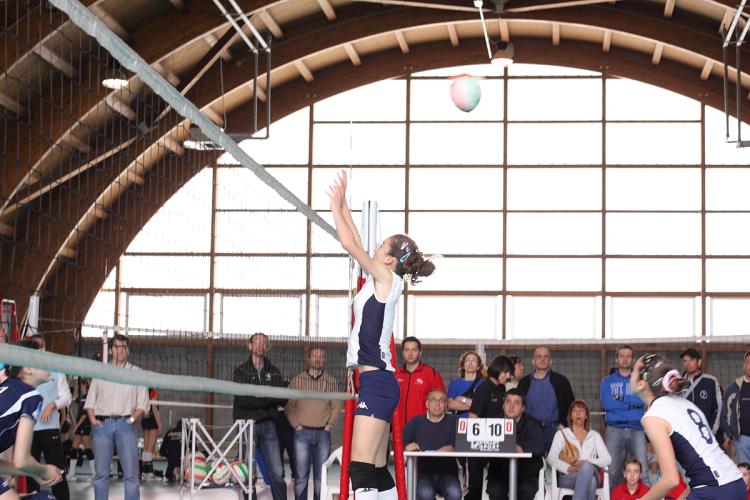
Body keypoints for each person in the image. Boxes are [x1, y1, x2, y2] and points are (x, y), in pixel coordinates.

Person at [329, 169, 435, 500]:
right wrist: (344, 206)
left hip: (376, 384)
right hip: (379, 382)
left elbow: (349, 243)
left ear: (389, 259)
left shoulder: (386, 278)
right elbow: (358, 242)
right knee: (374, 470)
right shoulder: (383, 278)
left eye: (382, 244)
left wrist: (333, 206)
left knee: (360, 469)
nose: (375, 246)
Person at [632, 354, 745, 499]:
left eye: (634, 371)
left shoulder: (653, 416)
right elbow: (699, 473)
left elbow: (670, 479)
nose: (631, 374)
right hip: (735, 483)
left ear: (641, 383)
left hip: (714, 489)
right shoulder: (685, 404)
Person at [84, 334, 149, 500]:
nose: (121, 350)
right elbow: (90, 401)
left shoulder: (137, 373)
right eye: (117, 347)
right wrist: (92, 419)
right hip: (102, 425)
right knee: (101, 474)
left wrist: (131, 420)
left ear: (128, 350)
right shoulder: (101, 371)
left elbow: (143, 404)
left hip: (125, 425)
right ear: (111, 350)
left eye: (124, 347)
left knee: (131, 474)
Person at [0, 339, 64, 499]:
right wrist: (44, 470)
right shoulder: (30, 396)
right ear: (28, 368)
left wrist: (32, 471)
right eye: (42, 358)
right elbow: (21, 460)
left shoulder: (10, 388)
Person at [232, 332, 287, 500]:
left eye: (263, 342)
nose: (260, 345)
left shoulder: (274, 371)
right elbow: (243, 400)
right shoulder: (241, 371)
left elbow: (282, 399)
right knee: (249, 472)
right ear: (249, 346)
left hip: (269, 425)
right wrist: (268, 396)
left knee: (277, 472)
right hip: (247, 424)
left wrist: (258, 395)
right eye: (256, 341)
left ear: (267, 347)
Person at [285, 345, 340, 500]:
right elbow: (289, 406)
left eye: (321, 356)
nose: (318, 359)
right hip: (301, 434)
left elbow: (336, 406)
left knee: (321, 475)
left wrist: (329, 425)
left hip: (323, 434)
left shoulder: (330, 382)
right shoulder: (297, 380)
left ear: (324, 360)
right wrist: (296, 425)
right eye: (315, 356)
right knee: (301, 475)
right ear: (308, 359)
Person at [25, 334, 71, 500]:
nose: (38, 350)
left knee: (57, 471)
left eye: (41, 346)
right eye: (35, 346)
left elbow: (66, 397)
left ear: (45, 347)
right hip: (28, 430)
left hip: (50, 428)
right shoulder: (23, 370)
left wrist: (52, 405)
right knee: (30, 474)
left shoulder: (55, 369)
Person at [465, 354, 514, 500]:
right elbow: (473, 416)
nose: (508, 376)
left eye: (509, 373)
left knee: (499, 485)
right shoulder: (484, 388)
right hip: (479, 443)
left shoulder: (502, 388)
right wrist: (481, 438)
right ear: (498, 369)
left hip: (497, 442)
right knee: (475, 487)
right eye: (505, 372)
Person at [600, 344, 649, 489]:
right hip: (614, 429)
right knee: (612, 472)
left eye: (628, 356)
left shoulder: (640, 381)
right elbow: (608, 404)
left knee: (643, 472)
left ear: (633, 359)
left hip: (637, 429)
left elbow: (642, 401)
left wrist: (620, 399)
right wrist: (632, 403)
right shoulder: (607, 381)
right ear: (616, 359)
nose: (625, 359)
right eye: (622, 356)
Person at [403, 389, 461, 500]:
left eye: (441, 400)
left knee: (454, 493)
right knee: (425, 494)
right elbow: (402, 441)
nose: (437, 404)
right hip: (424, 473)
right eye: (433, 400)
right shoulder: (415, 422)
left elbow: (466, 443)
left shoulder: (456, 421)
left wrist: (453, 448)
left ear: (446, 405)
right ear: (427, 404)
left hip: (448, 473)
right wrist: (407, 446)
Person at [548, 400, 612, 500]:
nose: (578, 413)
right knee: (591, 482)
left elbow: (607, 459)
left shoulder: (594, 435)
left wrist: (587, 462)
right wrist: (569, 468)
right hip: (568, 477)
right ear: (571, 416)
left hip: (592, 472)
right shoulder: (561, 434)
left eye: (581, 411)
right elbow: (551, 458)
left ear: (586, 416)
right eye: (574, 411)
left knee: (587, 467)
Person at [488, 388, 544, 500]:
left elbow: (539, 446)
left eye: (516, 403)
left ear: (523, 408)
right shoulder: (493, 423)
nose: (511, 406)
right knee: (495, 491)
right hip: (500, 472)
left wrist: (521, 447)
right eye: (508, 402)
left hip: (526, 473)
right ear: (503, 405)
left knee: (526, 491)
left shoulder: (533, 424)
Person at [517, 346, 575, 453]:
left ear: (550, 361)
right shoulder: (524, 383)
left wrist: (566, 427)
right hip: (530, 431)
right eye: (539, 356)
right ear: (533, 361)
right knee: (531, 462)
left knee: (556, 462)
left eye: (546, 356)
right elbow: (518, 408)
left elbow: (572, 406)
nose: (542, 359)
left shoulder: (562, 381)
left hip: (554, 430)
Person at [395, 337, 445, 431]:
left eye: (414, 350)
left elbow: (442, 403)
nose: (410, 354)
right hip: (399, 430)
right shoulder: (395, 375)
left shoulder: (431, 374)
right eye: (407, 350)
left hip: (423, 429)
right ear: (402, 352)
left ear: (420, 352)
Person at [680, 348, 722, 442]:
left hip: (705, 434)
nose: (688, 364)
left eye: (691, 360)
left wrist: (712, 431)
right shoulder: (678, 383)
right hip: (684, 434)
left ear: (699, 362)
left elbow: (718, 408)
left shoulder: (711, 381)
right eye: (685, 361)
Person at [721, 351, 750, 463]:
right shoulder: (734, 388)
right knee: (744, 472)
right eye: (748, 362)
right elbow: (725, 413)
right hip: (742, 440)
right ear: (744, 366)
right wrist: (729, 434)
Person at [69, 379, 94, 480]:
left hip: (85, 426)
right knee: (74, 447)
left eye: (83, 386)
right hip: (80, 426)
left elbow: (84, 415)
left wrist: (76, 426)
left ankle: (94, 474)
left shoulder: (87, 398)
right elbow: (72, 399)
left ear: (86, 387)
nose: (81, 387)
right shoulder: (81, 397)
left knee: (88, 449)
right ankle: (71, 474)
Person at [447, 351, 484, 418]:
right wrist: (474, 406)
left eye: (474, 361)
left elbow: (484, 405)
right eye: (467, 361)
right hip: (458, 420)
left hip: (477, 421)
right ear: (463, 366)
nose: (470, 363)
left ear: (478, 366)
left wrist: (463, 400)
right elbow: (450, 404)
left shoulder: (483, 383)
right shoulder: (455, 383)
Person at [140, 388, 161, 481]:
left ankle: (145, 473)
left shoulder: (144, 391)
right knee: (150, 449)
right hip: (152, 419)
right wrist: (159, 425)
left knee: (146, 448)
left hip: (145, 419)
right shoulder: (153, 391)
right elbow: (154, 408)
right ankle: (148, 474)